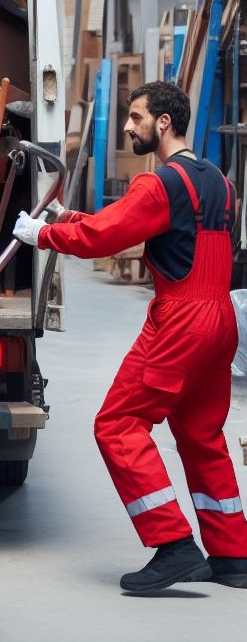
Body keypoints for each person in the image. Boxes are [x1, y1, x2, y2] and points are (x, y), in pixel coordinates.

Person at [13, 81, 247, 594]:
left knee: (117, 424)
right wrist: (66, 218)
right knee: (202, 436)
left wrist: (42, 234)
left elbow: (103, 238)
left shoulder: (159, 184)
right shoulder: (220, 183)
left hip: (181, 320)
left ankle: (174, 546)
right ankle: (234, 556)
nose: (127, 127)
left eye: (136, 118)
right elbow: (123, 225)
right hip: (220, 320)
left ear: (163, 123)